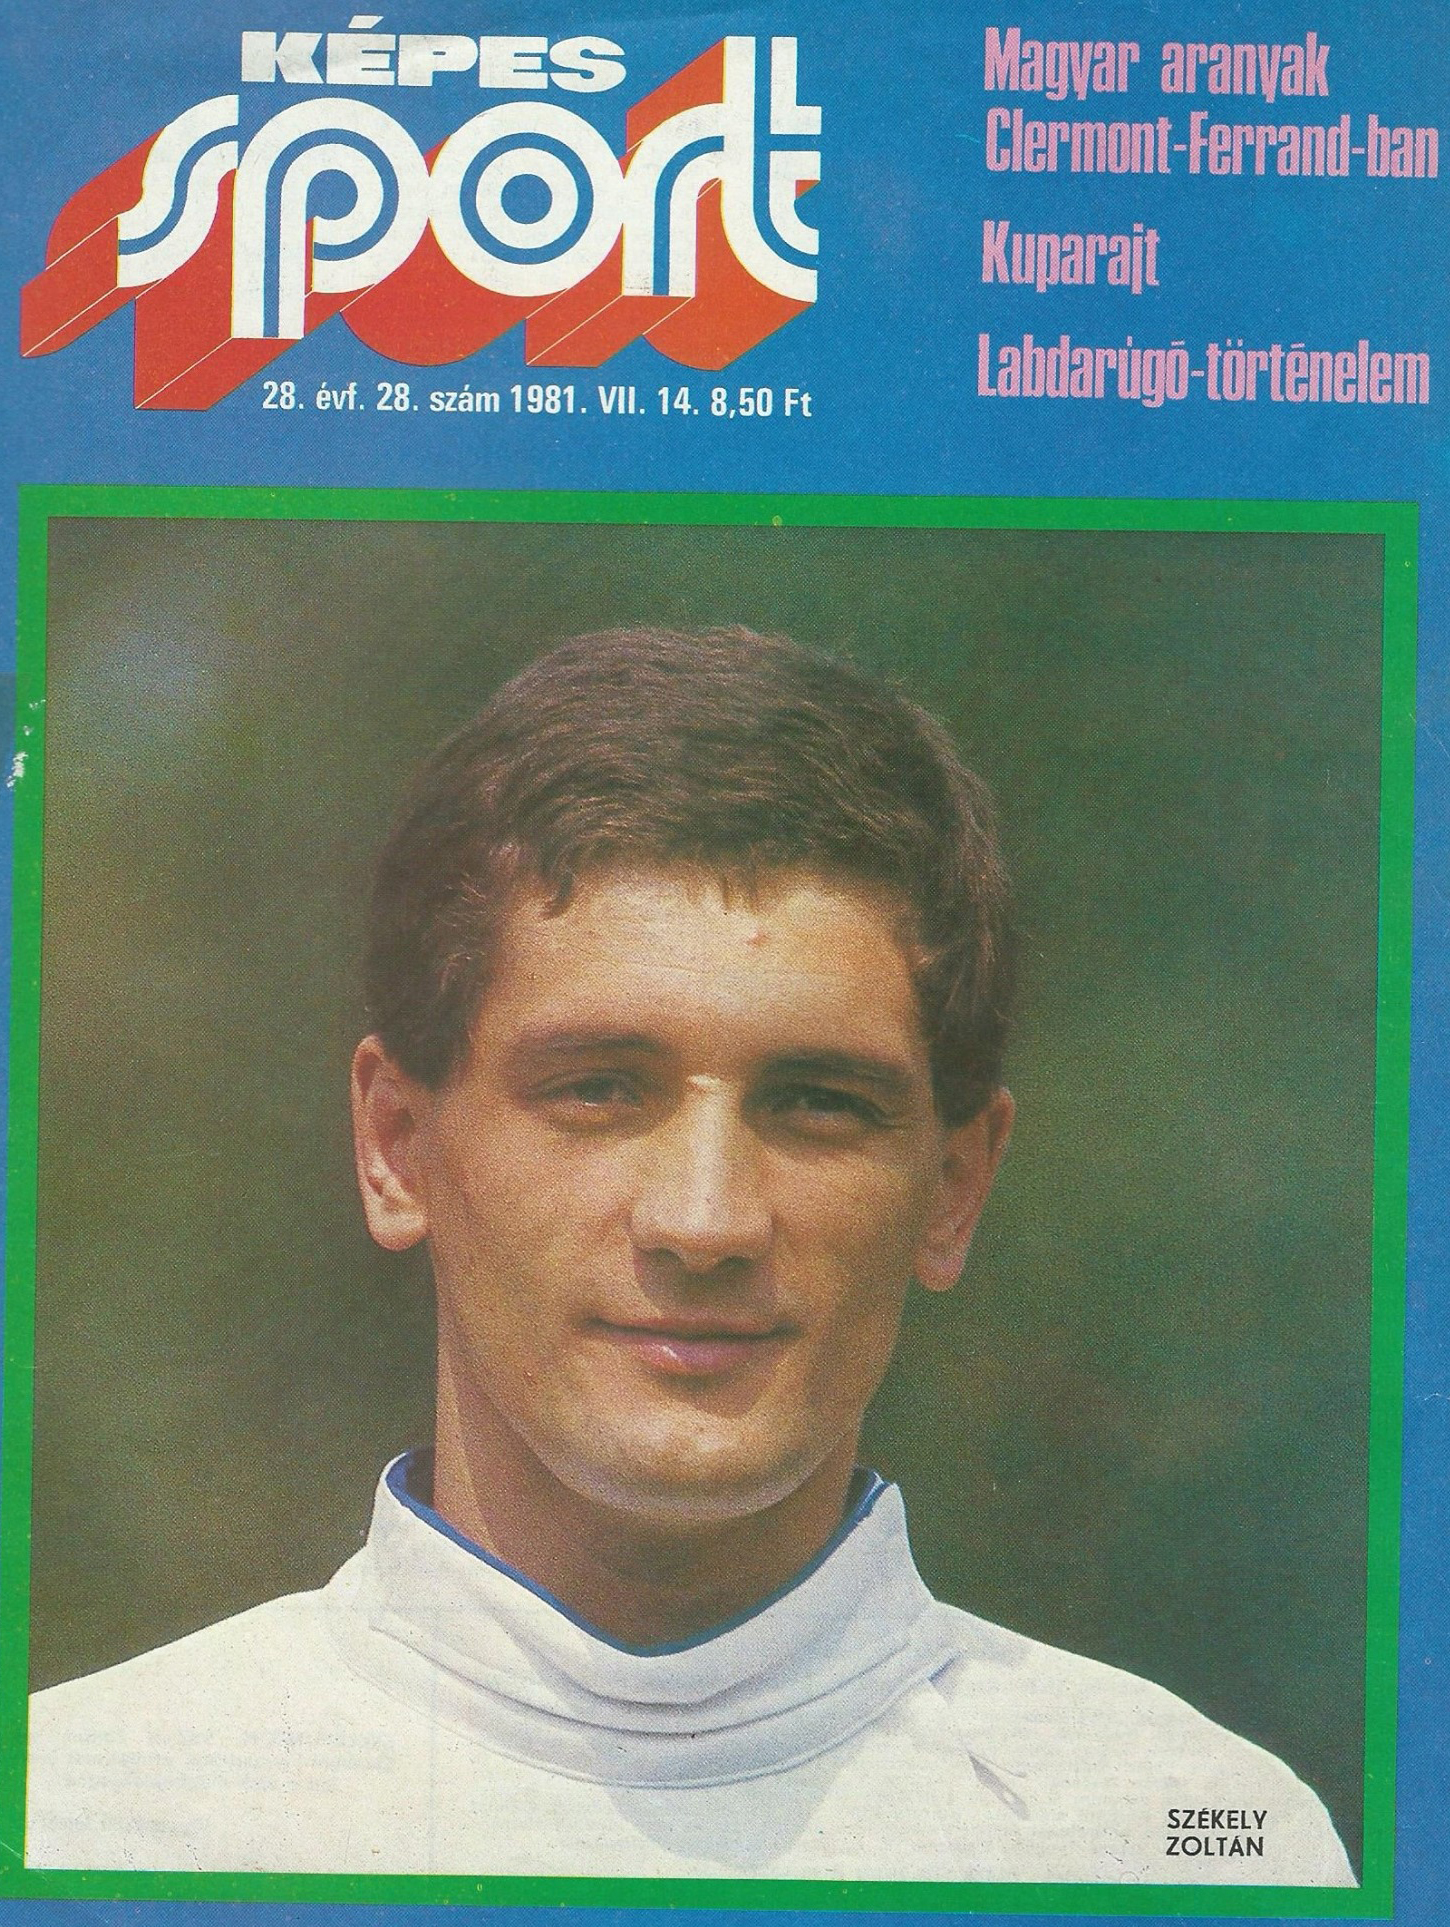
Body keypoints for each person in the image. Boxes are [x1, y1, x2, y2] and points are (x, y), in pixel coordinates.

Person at [27, 627, 1353, 1883]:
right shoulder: (90, 1815)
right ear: (396, 1146)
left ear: (953, 1189)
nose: (707, 1220)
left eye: (818, 1103)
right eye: (599, 1089)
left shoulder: (1167, 1835)